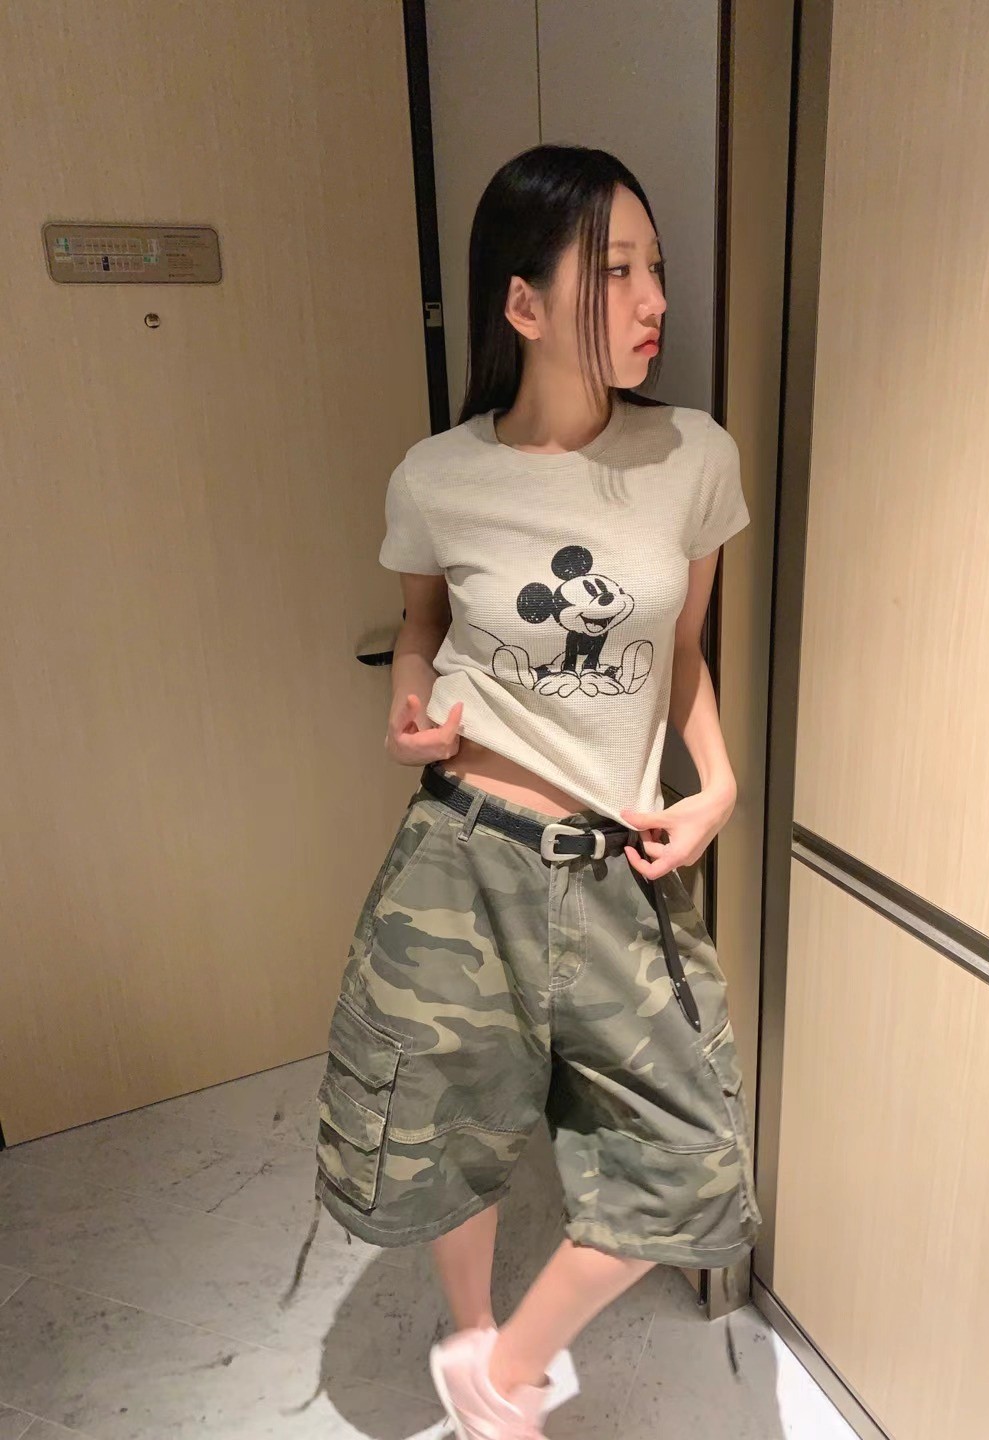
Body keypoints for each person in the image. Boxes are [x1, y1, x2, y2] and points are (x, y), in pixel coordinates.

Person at [287, 144, 763, 1439]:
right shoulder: (436, 475)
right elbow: (422, 629)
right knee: (455, 1121)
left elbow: (685, 653)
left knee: (689, 1156)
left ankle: (503, 1376)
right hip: (463, 854)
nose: (653, 299)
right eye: (616, 271)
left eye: (656, 268)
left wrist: (718, 785)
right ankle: (470, 1334)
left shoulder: (693, 457)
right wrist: (409, 706)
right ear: (524, 303)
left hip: (615, 866)